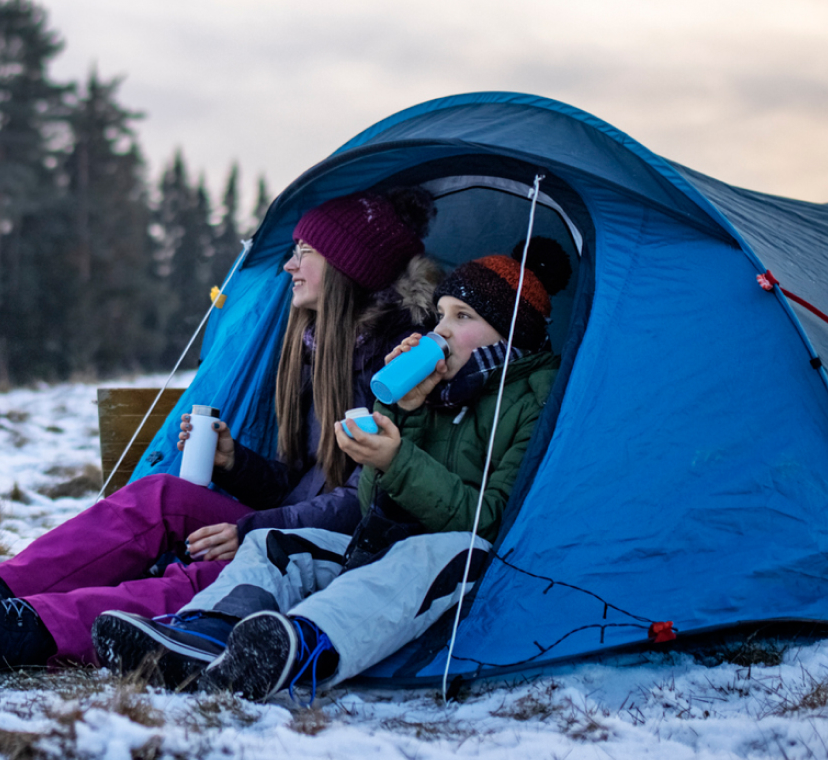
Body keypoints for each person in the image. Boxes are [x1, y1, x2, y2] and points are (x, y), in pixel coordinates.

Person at [0, 187, 444, 677]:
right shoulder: (317, 346)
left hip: (336, 551)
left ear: (347, 266)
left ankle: (19, 631)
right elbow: (303, 481)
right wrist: (234, 462)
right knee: (159, 496)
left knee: (214, 578)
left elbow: (361, 501)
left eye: (305, 252)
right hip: (285, 524)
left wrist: (254, 528)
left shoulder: (399, 367)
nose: (289, 264)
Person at [93, 241, 571, 701]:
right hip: (385, 549)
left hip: (458, 568)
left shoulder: (535, 400)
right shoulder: (440, 393)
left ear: (511, 333)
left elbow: (486, 522)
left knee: (443, 550)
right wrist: (403, 409)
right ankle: (204, 635)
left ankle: (302, 646)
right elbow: (372, 505)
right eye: (441, 315)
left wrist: (396, 459)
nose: (441, 330)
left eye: (462, 317)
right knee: (271, 542)